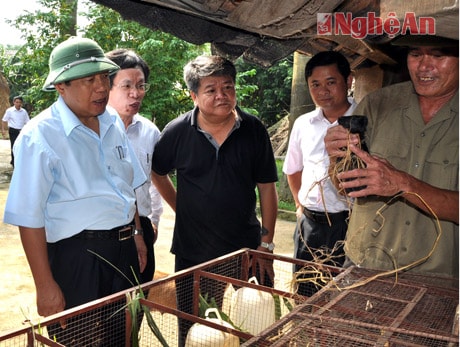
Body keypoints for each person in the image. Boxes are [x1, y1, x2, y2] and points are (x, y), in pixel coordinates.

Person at [3, 37, 147, 346]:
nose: (100, 87)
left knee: (123, 337)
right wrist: (45, 286)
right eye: (87, 80)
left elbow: (126, 186)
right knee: (80, 340)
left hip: (123, 253)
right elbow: (29, 218)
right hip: (77, 259)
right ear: (60, 86)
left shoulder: (112, 122)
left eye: (103, 78)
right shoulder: (39, 137)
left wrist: (136, 234)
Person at [151, 55, 279, 346]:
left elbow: (267, 188)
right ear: (194, 95)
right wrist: (180, 207)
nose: (222, 95)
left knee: (257, 331)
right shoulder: (176, 132)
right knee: (198, 332)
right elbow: (158, 173)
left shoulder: (253, 129)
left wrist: (266, 244)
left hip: (248, 251)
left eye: (228, 87)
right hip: (194, 253)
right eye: (211, 89)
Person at [324, 35, 459, 280]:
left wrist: (403, 184)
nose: (424, 66)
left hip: (439, 278)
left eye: (438, 55)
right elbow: (344, 187)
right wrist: (338, 159)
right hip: (364, 265)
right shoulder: (378, 104)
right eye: (415, 54)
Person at [283, 51, 357, 297]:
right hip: (310, 225)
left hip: (349, 225)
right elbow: (293, 170)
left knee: (343, 296)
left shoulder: (364, 120)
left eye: (331, 82)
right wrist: (299, 205)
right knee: (304, 292)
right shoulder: (304, 123)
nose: (323, 90)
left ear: (349, 81)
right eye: (315, 84)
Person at [106, 48, 163, 286]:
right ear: (106, 87)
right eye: (126, 86)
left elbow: (155, 180)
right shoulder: (93, 131)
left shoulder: (149, 131)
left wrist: (155, 220)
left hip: (142, 225)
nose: (135, 94)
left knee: (138, 301)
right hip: (105, 230)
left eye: (141, 86)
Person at [2, 95, 30, 166]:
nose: (18, 104)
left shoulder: (23, 112)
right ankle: (14, 162)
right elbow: (4, 120)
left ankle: (19, 161)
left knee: (21, 146)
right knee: (14, 146)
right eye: (17, 102)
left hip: (21, 131)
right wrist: (3, 130)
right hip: (13, 131)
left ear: (22, 103)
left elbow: (28, 122)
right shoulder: (10, 111)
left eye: (20, 102)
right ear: (14, 102)